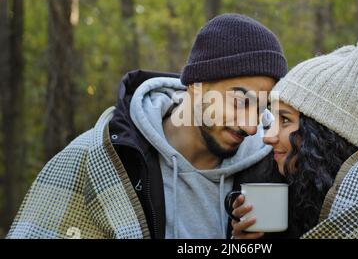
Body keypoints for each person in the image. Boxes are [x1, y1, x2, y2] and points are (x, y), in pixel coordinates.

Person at [7, 13, 288, 239]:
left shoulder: (273, 168)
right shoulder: (101, 158)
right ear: (196, 86)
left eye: (262, 107)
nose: (252, 126)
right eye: (240, 101)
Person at [231, 33, 358, 239]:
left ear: (323, 135)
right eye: (273, 119)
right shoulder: (290, 196)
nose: (268, 137)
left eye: (285, 120)